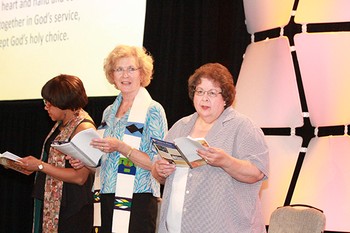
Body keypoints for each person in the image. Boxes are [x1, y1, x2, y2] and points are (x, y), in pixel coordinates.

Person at [152, 63, 269, 233]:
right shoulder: (180, 126)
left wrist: (226, 162)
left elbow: (257, 172)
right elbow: (157, 173)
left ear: (226, 98)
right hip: (174, 227)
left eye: (212, 93)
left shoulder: (243, 127)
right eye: (200, 91)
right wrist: (159, 170)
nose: (204, 98)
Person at [87, 45, 167, 233]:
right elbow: (104, 162)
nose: (125, 75)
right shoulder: (108, 112)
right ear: (112, 75)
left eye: (131, 69)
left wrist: (122, 147)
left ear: (142, 73)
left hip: (138, 196)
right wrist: (85, 160)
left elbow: (159, 164)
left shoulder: (153, 110)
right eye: (119, 69)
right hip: (106, 193)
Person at [19, 74, 95, 233]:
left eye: (49, 103)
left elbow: (80, 177)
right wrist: (33, 167)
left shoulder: (84, 128)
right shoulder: (62, 123)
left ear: (64, 102)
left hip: (72, 207)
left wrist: (40, 166)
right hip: (53, 200)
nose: (45, 107)